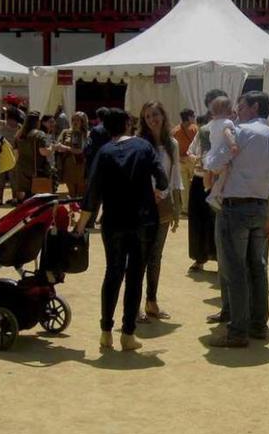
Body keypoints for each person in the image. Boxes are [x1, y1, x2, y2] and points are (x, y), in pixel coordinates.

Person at [75, 108, 169, 351]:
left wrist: (80, 226)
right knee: (135, 276)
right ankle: (128, 334)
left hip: (113, 222)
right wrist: (156, 192)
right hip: (142, 222)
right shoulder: (144, 148)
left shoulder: (104, 152)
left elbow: (92, 194)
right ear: (128, 124)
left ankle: (106, 331)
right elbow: (163, 180)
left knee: (112, 273)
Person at [205, 91, 269, 348]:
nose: (237, 109)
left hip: (236, 207)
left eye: (241, 104)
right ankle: (258, 325)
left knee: (235, 270)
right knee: (257, 269)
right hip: (261, 207)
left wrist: (207, 158)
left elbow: (215, 163)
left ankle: (238, 331)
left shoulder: (240, 132)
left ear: (255, 106)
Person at [137, 101, 183, 323]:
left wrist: (176, 204)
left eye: (155, 114)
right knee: (139, 256)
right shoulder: (139, 144)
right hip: (143, 205)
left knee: (156, 256)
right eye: (147, 116)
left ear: (163, 116)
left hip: (163, 204)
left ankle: (151, 301)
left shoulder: (172, 143)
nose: (152, 119)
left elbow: (175, 176)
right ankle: (134, 305)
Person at [188, 112, 218, 276]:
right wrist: (196, 158)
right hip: (199, 179)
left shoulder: (225, 135)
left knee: (215, 221)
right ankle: (199, 258)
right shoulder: (201, 134)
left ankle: (220, 259)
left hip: (216, 182)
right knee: (197, 219)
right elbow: (190, 151)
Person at [203, 96, 239, 210]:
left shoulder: (212, 123)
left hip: (211, 157)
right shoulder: (227, 122)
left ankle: (212, 190)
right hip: (221, 155)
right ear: (228, 111)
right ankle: (214, 195)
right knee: (226, 172)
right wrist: (233, 144)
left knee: (217, 175)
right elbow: (227, 133)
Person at [13, 111, 52, 202]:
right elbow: (43, 152)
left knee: (25, 199)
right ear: (37, 122)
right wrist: (52, 148)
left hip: (21, 170)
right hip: (37, 170)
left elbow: (16, 154)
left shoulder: (18, 135)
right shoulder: (39, 134)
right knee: (39, 198)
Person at [84, 107, 111, 228]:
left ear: (98, 117)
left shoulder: (96, 130)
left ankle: (90, 221)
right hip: (112, 166)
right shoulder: (114, 129)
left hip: (97, 166)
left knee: (95, 195)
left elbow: (89, 149)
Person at [56, 112, 89, 198]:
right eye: (73, 119)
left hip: (82, 165)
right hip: (68, 164)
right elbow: (58, 146)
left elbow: (80, 151)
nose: (75, 122)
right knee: (70, 192)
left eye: (78, 120)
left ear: (83, 122)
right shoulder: (65, 132)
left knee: (81, 192)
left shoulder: (86, 134)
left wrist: (66, 148)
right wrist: (60, 147)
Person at [172, 108, 198, 211]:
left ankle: (186, 208)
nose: (194, 118)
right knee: (194, 185)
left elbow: (171, 148)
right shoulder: (195, 129)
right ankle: (194, 207)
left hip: (180, 161)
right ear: (189, 117)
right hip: (192, 160)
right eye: (193, 116)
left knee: (184, 186)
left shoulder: (175, 131)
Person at [0, 108, 20, 205]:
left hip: (4, 155)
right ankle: (13, 198)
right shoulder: (19, 127)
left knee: (3, 178)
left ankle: (0, 198)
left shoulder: (2, 125)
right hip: (11, 155)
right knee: (12, 178)